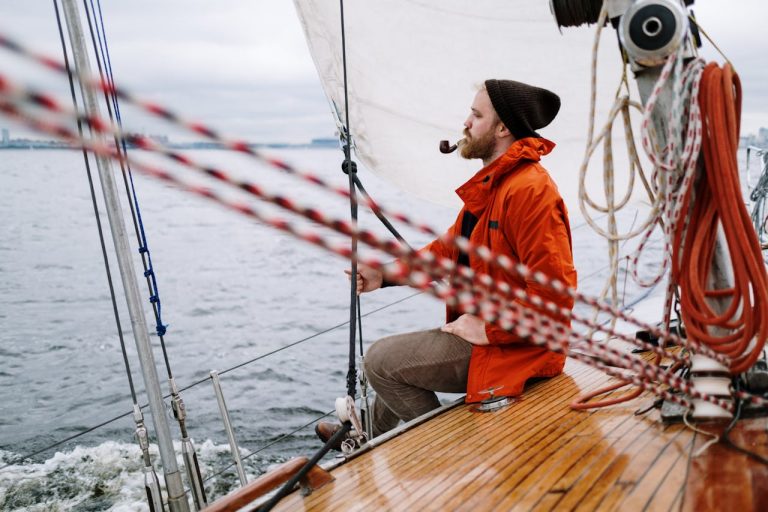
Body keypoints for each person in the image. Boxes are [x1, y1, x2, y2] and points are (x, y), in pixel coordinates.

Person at [316, 79, 577, 447]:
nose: (466, 123)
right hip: (497, 336)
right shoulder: (495, 185)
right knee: (397, 376)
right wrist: (384, 275)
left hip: (517, 348)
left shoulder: (530, 192)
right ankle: (368, 443)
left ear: (503, 129)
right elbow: (446, 252)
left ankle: (453, 448)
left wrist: (489, 329)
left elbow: (555, 298)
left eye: (476, 114)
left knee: (380, 362)